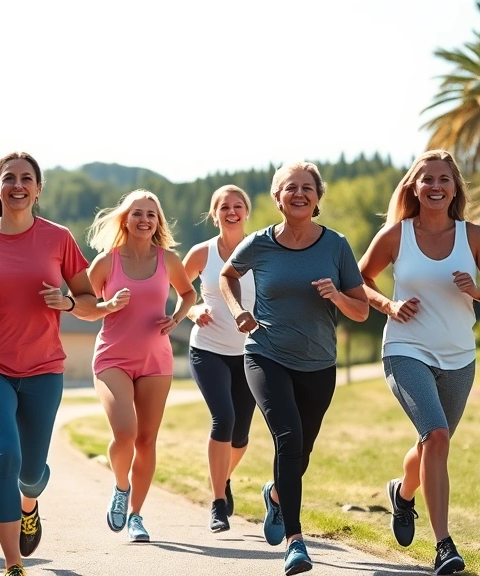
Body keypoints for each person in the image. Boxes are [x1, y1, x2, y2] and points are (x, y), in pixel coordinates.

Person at [0, 152, 110, 576]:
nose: (18, 185)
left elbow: (91, 303)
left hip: (44, 368)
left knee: (30, 474)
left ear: (38, 188)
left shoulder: (58, 238)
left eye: (26, 179)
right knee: (6, 459)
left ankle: (29, 503)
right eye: (9, 178)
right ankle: (13, 563)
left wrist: (68, 302)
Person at [358, 150, 480, 575]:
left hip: (459, 356)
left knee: (433, 444)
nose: (436, 186)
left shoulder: (473, 236)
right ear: (414, 186)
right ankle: (444, 544)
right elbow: (359, 280)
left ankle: (402, 492)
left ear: (454, 188)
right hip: (406, 349)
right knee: (438, 435)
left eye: (444, 179)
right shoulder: (397, 235)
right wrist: (388, 305)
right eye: (427, 179)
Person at [220, 162, 369, 575]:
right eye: (290, 188)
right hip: (265, 353)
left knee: (301, 451)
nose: (299, 194)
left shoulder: (336, 246)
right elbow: (226, 276)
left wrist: (337, 296)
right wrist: (238, 311)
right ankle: (295, 542)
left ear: (318, 197)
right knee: (288, 436)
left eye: (307, 188)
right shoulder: (259, 244)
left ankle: (277, 496)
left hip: (318, 363)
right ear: (277, 197)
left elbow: (361, 310)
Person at [85, 189, 195, 542]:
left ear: (157, 222)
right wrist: (108, 306)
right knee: (125, 433)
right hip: (112, 357)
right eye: (137, 213)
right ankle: (121, 487)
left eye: (151, 214)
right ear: (125, 219)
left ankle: (135, 515)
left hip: (155, 359)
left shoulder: (169, 260)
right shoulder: (106, 262)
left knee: (146, 441)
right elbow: (82, 306)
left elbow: (188, 293)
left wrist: (176, 318)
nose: (144, 219)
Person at [181, 185, 256, 533]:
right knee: (222, 419)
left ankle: (222, 478)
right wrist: (194, 309)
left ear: (247, 212)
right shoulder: (202, 253)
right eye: (224, 206)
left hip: (250, 353)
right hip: (208, 350)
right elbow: (178, 292)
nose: (231, 211)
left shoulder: (260, 250)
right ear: (214, 214)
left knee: (240, 436)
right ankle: (217, 503)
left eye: (237, 205)